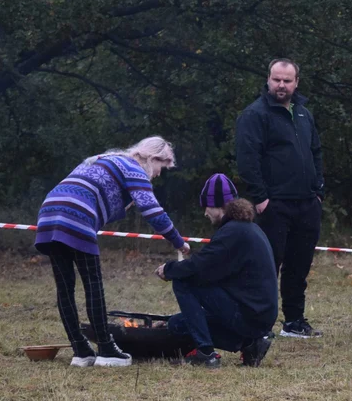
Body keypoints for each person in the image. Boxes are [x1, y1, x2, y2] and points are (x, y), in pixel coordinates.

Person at [35, 136, 190, 368]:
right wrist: (179, 242)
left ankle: (81, 351)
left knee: (65, 285)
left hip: (49, 211)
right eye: (161, 167)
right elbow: (151, 210)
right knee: (92, 283)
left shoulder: (105, 158)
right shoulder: (134, 168)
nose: (158, 174)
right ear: (152, 157)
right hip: (77, 213)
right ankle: (107, 350)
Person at [235, 58, 325, 339]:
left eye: (287, 80)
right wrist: (261, 198)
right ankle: (258, 325)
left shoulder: (303, 114)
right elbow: (247, 160)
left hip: (307, 203)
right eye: (277, 80)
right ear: (268, 79)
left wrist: (319, 191)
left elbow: (316, 152)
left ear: (297, 82)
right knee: (266, 267)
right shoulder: (255, 115)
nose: (282, 85)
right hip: (274, 205)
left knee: (299, 267)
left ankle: (294, 322)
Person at [157, 174, 278, 367]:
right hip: (258, 315)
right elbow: (211, 272)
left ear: (218, 206)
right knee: (177, 325)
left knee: (183, 280)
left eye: (207, 206)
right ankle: (250, 344)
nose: (205, 213)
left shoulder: (232, 232)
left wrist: (170, 269)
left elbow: (199, 266)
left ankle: (205, 353)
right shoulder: (247, 229)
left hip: (249, 314)